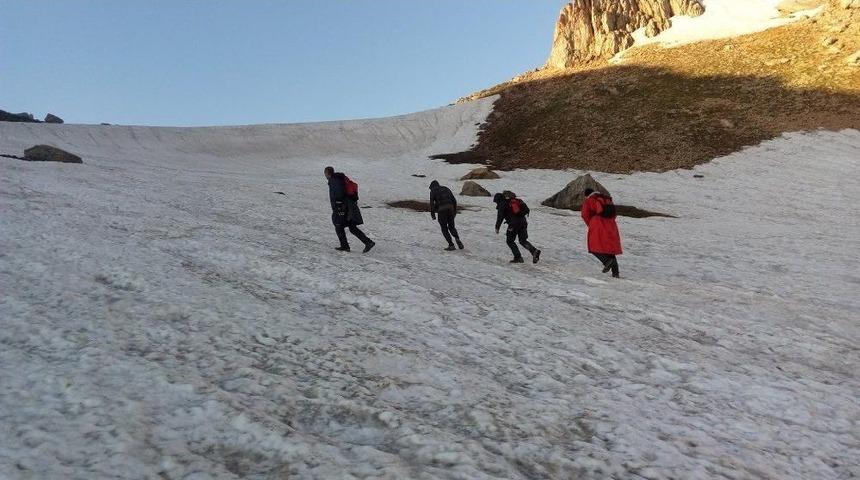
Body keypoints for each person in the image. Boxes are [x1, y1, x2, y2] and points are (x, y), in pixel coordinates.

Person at [324, 166, 375, 253]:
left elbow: (339, 193)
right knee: (351, 227)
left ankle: (345, 246)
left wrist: (339, 204)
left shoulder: (334, 180)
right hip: (348, 205)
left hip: (342, 206)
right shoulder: (340, 178)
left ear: (327, 173)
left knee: (338, 225)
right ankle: (368, 242)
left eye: (325, 173)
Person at [581, 188, 622, 277]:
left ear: (586, 195)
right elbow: (614, 214)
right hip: (611, 225)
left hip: (597, 224)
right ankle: (616, 273)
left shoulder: (590, 200)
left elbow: (584, 214)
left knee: (593, 246)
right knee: (610, 249)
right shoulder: (607, 199)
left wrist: (591, 224)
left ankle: (606, 261)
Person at [494, 191, 541, 264]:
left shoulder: (502, 204)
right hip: (523, 222)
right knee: (522, 240)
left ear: (498, 200)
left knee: (510, 241)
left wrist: (497, 227)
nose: (496, 204)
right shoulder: (514, 202)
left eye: (496, 202)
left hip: (513, 224)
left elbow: (500, 217)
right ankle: (534, 251)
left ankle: (518, 257)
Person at [429, 180, 464, 251]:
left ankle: (451, 245)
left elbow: (432, 204)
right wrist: (454, 211)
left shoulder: (433, 191)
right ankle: (457, 238)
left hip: (442, 210)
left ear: (432, 187)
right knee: (451, 227)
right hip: (450, 208)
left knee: (444, 228)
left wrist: (433, 214)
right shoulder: (446, 188)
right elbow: (454, 200)